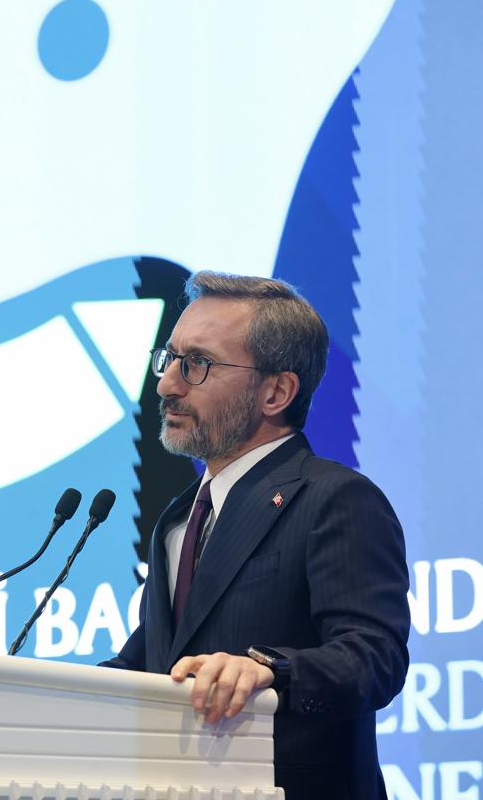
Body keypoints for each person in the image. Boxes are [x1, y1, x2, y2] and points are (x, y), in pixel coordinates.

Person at [102, 272, 409, 800]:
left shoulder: (333, 499)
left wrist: (268, 668)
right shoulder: (177, 520)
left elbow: (373, 658)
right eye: (169, 358)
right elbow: (153, 662)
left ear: (276, 392)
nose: (167, 384)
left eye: (197, 363)